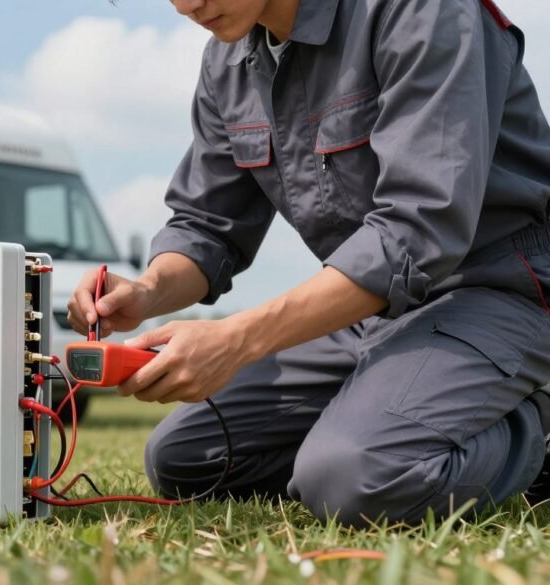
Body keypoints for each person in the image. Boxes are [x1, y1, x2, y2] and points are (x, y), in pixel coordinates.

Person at [68, 0, 550, 527]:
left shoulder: (418, 10)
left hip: (501, 291)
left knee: (356, 479)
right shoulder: (228, 63)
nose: (188, 4)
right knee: (188, 460)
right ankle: (388, 420)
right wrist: (148, 290)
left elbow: (418, 230)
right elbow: (206, 225)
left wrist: (239, 339)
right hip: (374, 310)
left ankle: (536, 432)